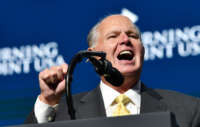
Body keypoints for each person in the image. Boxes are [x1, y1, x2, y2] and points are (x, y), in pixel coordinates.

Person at [25, 14, 200, 127]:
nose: (125, 40)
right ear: (93, 56)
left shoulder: (188, 109)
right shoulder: (64, 113)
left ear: (143, 50)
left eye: (133, 36)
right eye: (113, 36)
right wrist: (48, 100)